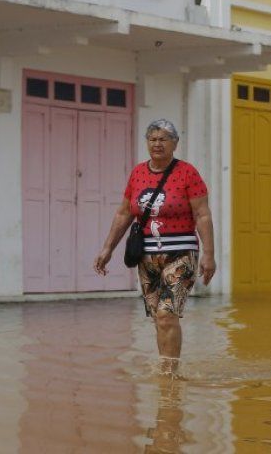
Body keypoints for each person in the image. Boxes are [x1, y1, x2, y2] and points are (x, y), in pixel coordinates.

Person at [93, 119, 215, 374]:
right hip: (146, 256)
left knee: (167, 314)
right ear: (147, 142)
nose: (157, 144)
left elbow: (202, 214)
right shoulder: (138, 173)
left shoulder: (187, 172)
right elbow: (125, 212)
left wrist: (209, 254)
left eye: (163, 139)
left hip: (181, 252)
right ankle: (166, 371)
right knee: (158, 318)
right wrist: (108, 248)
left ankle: (171, 376)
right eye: (153, 139)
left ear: (175, 144)